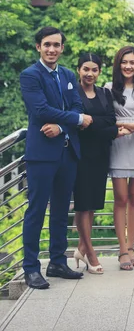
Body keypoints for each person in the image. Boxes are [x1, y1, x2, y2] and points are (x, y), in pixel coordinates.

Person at [20, 27, 91, 289]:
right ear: (38, 47)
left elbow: (77, 106)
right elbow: (40, 110)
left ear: (62, 48)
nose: (52, 49)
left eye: (56, 45)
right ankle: (30, 268)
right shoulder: (30, 75)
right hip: (41, 154)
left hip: (67, 151)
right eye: (47, 45)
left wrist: (63, 126)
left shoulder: (68, 75)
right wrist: (76, 120)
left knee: (61, 210)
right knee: (36, 211)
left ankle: (58, 262)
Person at [73, 53, 119, 275]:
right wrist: (102, 127)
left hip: (101, 155)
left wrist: (90, 122)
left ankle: (81, 249)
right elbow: (74, 120)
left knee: (92, 205)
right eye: (85, 69)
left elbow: (112, 124)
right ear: (78, 70)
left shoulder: (104, 93)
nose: (90, 74)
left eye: (94, 70)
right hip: (80, 155)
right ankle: (90, 253)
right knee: (82, 205)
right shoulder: (72, 93)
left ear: (99, 72)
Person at [106, 46, 134, 270]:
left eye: (132, 62)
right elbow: (105, 120)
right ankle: (121, 249)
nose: (128, 66)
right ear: (118, 64)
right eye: (124, 62)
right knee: (120, 198)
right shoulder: (108, 89)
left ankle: (131, 247)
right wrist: (127, 125)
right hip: (119, 144)